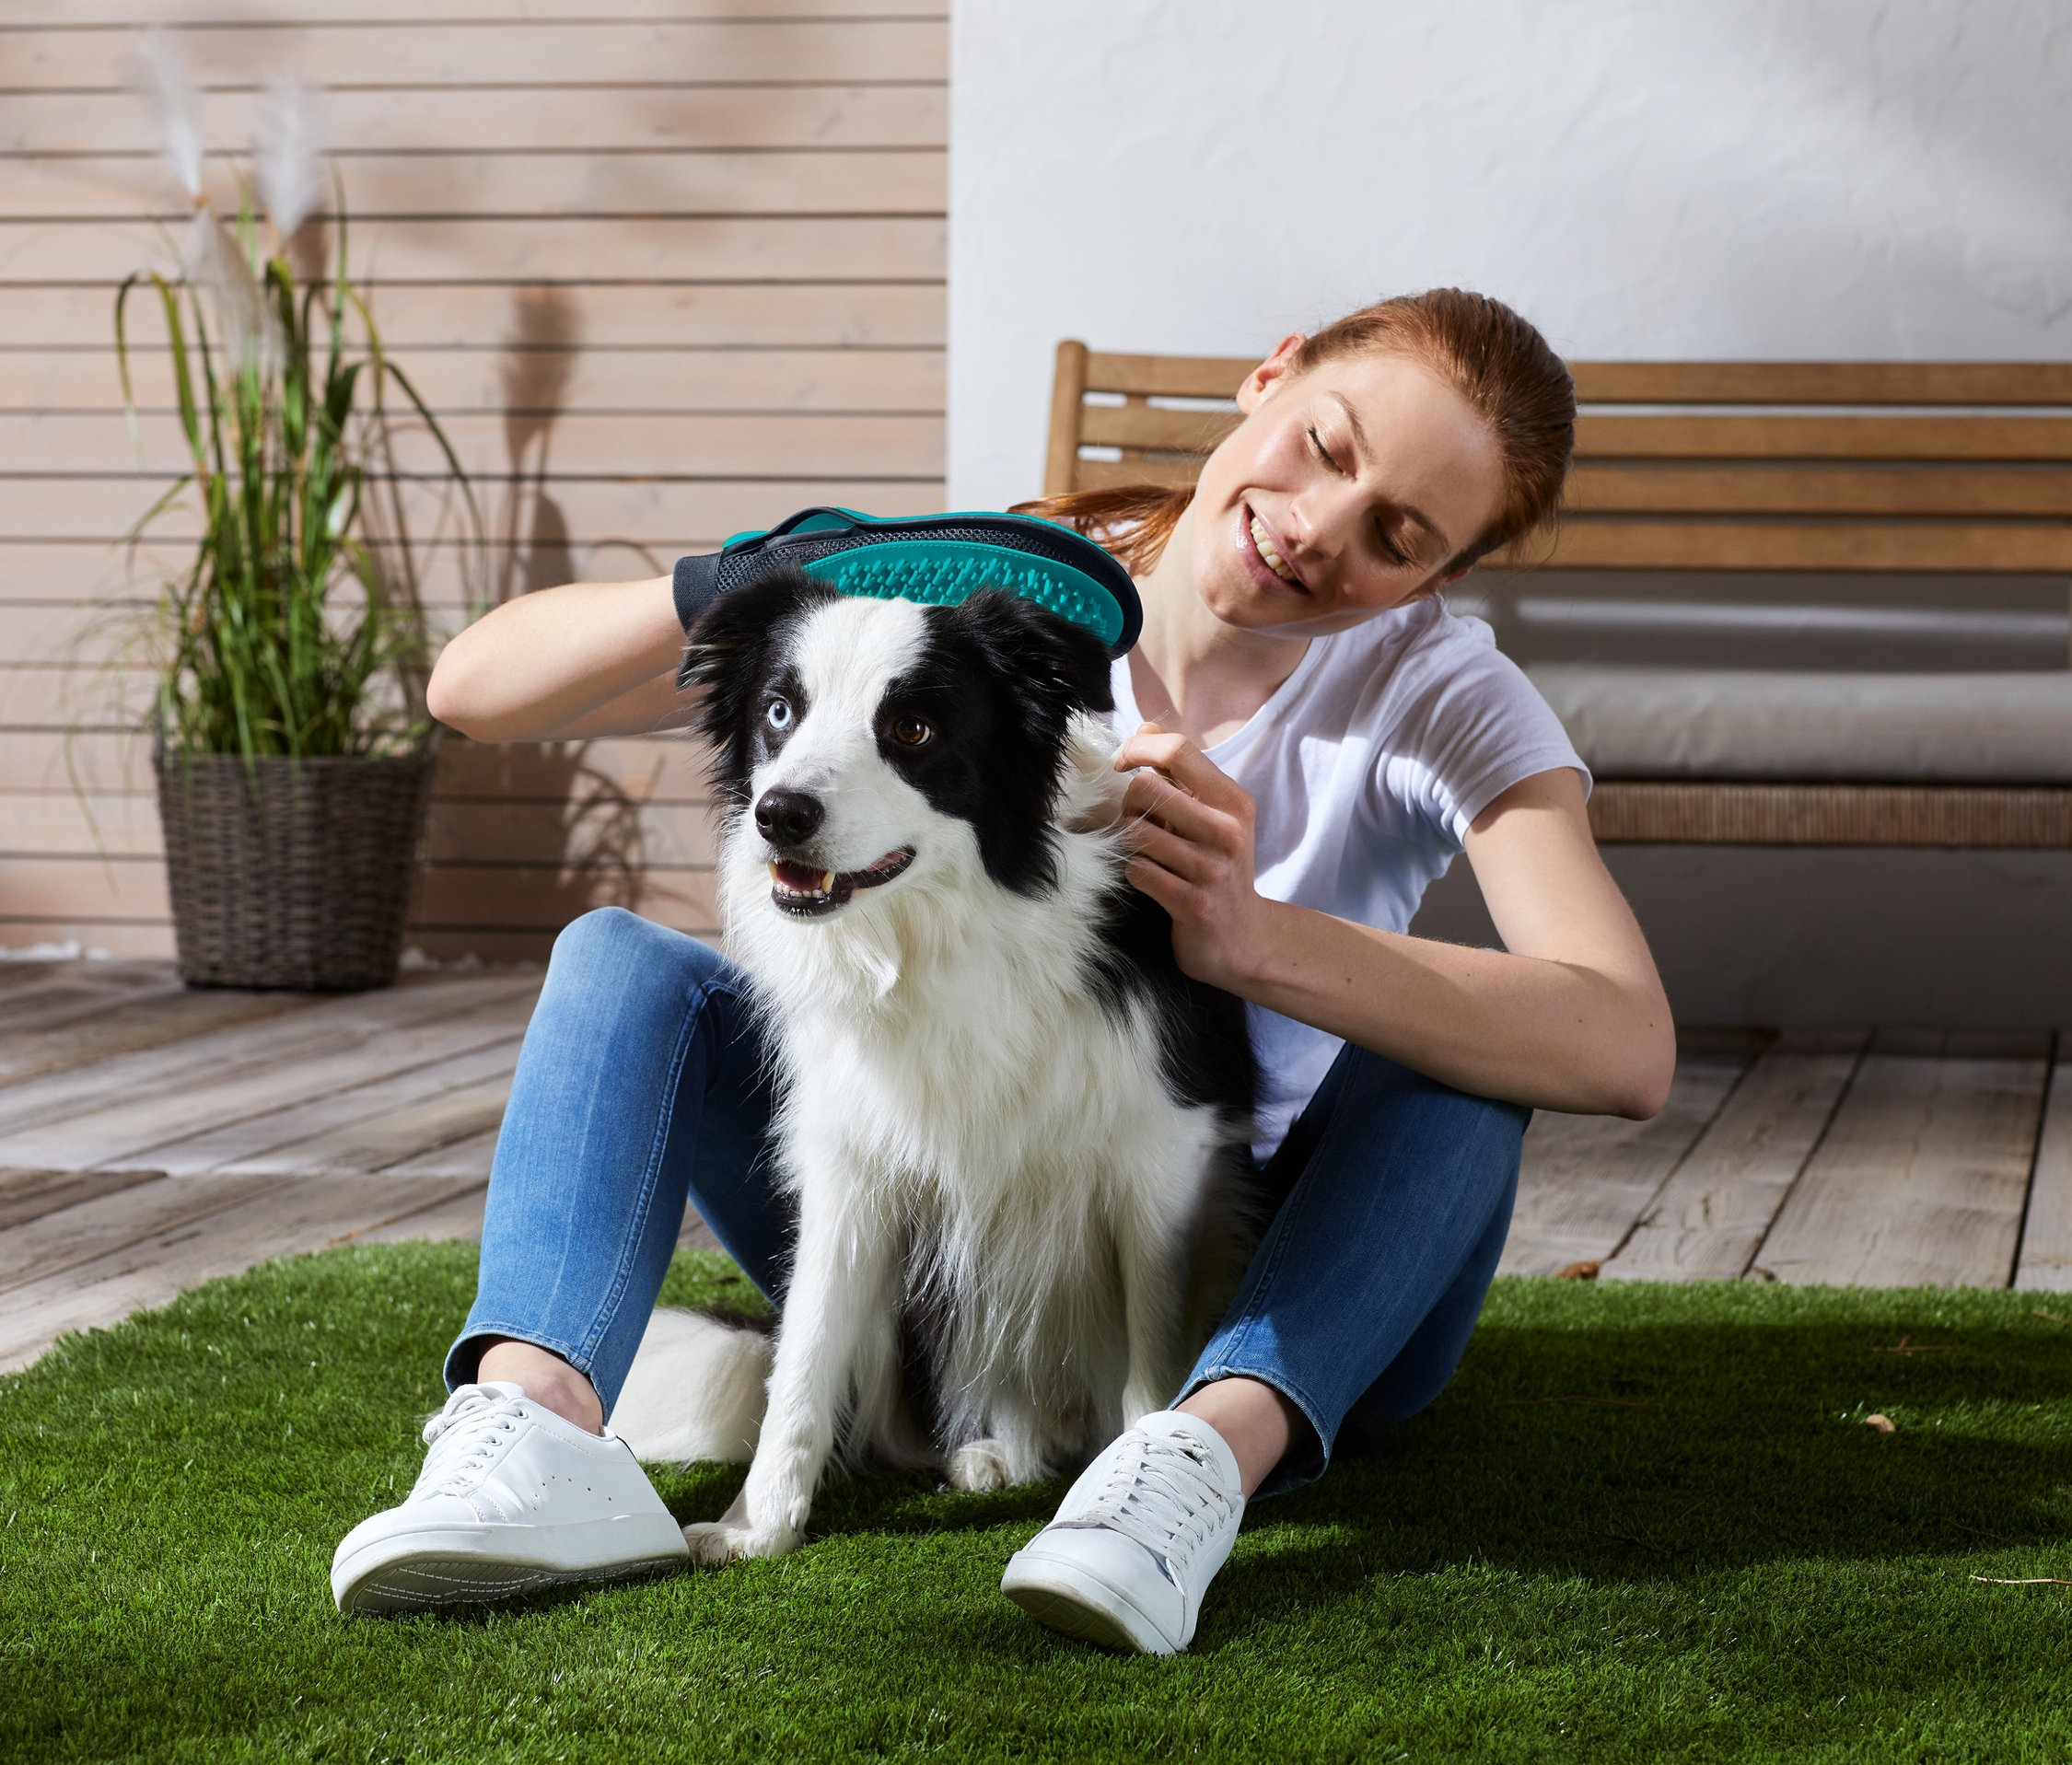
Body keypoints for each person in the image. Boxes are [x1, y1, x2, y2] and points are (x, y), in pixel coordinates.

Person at [332, 288, 1674, 1652]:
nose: (1320, 527)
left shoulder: (1442, 692)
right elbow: (473, 691)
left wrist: (1254, 938)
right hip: (931, 1239)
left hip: (1265, 1276)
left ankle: (1190, 1462)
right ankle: (536, 1428)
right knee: (621, 960)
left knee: (1460, 1059)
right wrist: (770, 565)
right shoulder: (1008, 584)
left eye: (1397, 535)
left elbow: (1620, 1041)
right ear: (1268, 376)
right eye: (1324, 445)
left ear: (1434, 580)